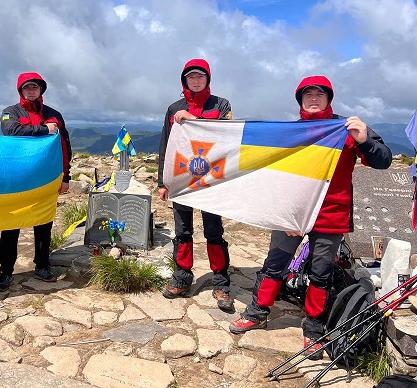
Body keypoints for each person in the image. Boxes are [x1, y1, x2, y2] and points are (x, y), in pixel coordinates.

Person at [229, 75, 392, 360]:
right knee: (274, 265)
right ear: (300, 101)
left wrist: (365, 140)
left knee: (321, 274)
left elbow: (383, 160)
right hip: (291, 214)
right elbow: (274, 173)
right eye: (307, 95)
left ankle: (314, 328)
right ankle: (257, 312)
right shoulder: (293, 132)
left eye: (319, 94)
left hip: (331, 216)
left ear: (329, 99)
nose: (313, 98)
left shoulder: (347, 129)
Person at [157, 58, 235, 311]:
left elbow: (226, 134)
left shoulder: (221, 105)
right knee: (183, 232)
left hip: (212, 180)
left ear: (208, 79)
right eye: (191, 77)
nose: (196, 80)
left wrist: (192, 119)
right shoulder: (173, 108)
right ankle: (182, 277)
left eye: (200, 76)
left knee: (214, 232)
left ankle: (221, 282)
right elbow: (166, 146)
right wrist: (163, 181)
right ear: (184, 81)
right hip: (181, 178)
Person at [0, 72, 72, 292]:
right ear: (21, 91)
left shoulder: (54, 115)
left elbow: (64, 146)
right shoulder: (10, 113)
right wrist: (43, 130)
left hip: (45, 180)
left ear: (41, 90)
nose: (31, 91)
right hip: (16, 180)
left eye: (35, 87)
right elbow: (11, 131)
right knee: (10, 227)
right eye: (27, 87)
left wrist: (66, 177)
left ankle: (42, 265)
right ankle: (5, 271)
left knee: (43, 224)